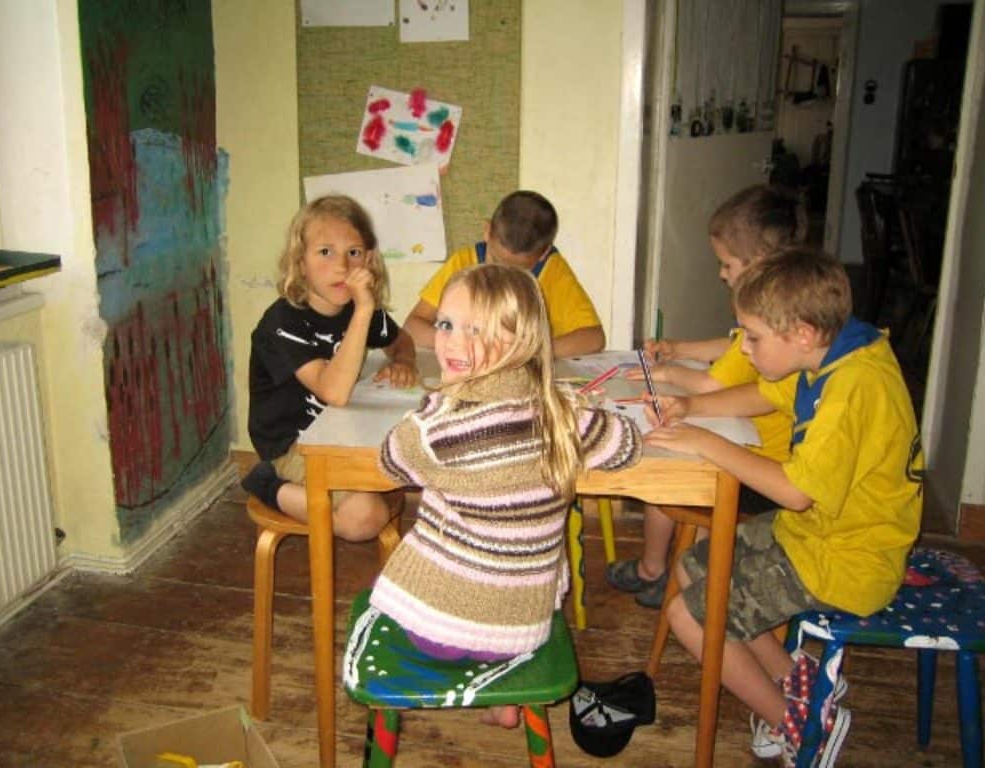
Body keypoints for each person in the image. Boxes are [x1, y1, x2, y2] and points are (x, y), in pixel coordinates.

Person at [643, 248, 923, 766]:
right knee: (693, 565)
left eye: (752, 338)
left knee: (688, 615)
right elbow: (767, 394)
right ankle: (798, 680)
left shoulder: (853, 388)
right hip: (818, 533)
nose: (744, 349)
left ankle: (802, 728)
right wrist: (692, 407)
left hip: (848, 560)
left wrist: (707, 442)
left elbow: (796, 492)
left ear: (802, 334)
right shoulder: (837, 350)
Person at [366, 263, 642, 727]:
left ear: (520, 340)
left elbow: (388, 464)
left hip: (437, 630)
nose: (452, 342)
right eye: (446, 325)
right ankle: (502, 692)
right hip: (524, 628)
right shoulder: (563, 415)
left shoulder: (432, 429)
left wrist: (432, 409)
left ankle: (452, 681)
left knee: (425, 545)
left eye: (475, 330)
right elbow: (627, 445)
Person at [608, 184, 807, 607]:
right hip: (762, 450)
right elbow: (733, 348)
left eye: (727, 264)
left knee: (673, 473)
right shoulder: (782, 316)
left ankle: (660, 571)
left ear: (759, 262)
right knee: (686, 448)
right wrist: (680, 350)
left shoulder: (779, 326)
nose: (721, 274)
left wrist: (667, 373)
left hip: (766, 462)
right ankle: (679, 572)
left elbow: (716, 382)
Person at [241, 195, 419, 540]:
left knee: (406, 459)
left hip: (340, 430)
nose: (342, 266)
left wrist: (403, 361)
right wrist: (364, 309)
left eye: (353, 252)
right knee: (365, 518)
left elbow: (402, 340)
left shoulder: (360, 308)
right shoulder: (282, 321)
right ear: (300, 262)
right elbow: (333, 392)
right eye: (325, 252)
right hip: (292, 444)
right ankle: (267, 484)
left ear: (369, 259)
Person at [402, 190, 605, 358]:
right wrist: (463, 342)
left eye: (519, 271)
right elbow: (413, 326)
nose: (504, 276)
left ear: (544, 253)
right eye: (496, 261)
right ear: (487, 231)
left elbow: (594, 338)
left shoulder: (552, 271)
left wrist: (529, 351)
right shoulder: (464, 263)